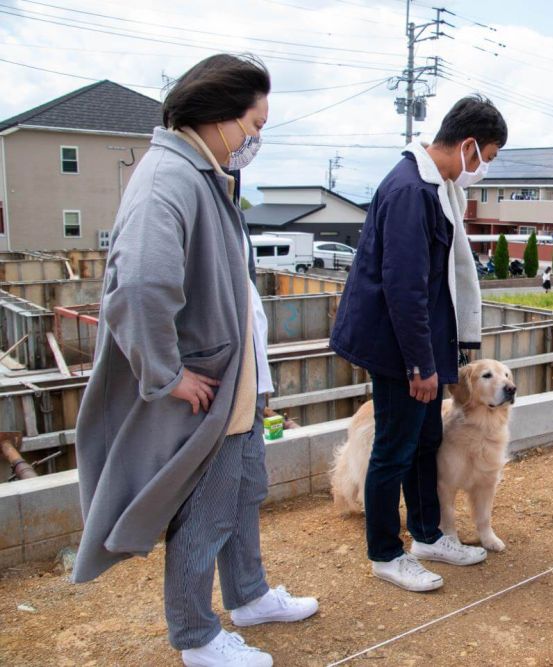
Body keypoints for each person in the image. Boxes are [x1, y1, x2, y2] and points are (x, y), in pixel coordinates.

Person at [72, 54, 317, 667]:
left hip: (238, 383)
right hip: (210, 389)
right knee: (205, 514)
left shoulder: (201, 172)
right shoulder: (170, 178)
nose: (255, 138)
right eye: (253, 125)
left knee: (243, 493)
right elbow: (138, 289)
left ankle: (250, 594)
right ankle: (196, 637)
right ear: (217, 116)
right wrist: (167, 374)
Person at [330, 95, 508, 593]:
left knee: (425, 441)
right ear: (468, 145)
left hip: (416, 344)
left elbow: (430, 286)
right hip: (397, 349)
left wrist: (436, 357)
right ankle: (387, 553)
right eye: (486, 158)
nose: (483, 170)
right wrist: (418, 365)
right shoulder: (412, 191)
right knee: (394, 449)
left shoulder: (432, 186)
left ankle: (429, 535)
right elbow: (404, 286)